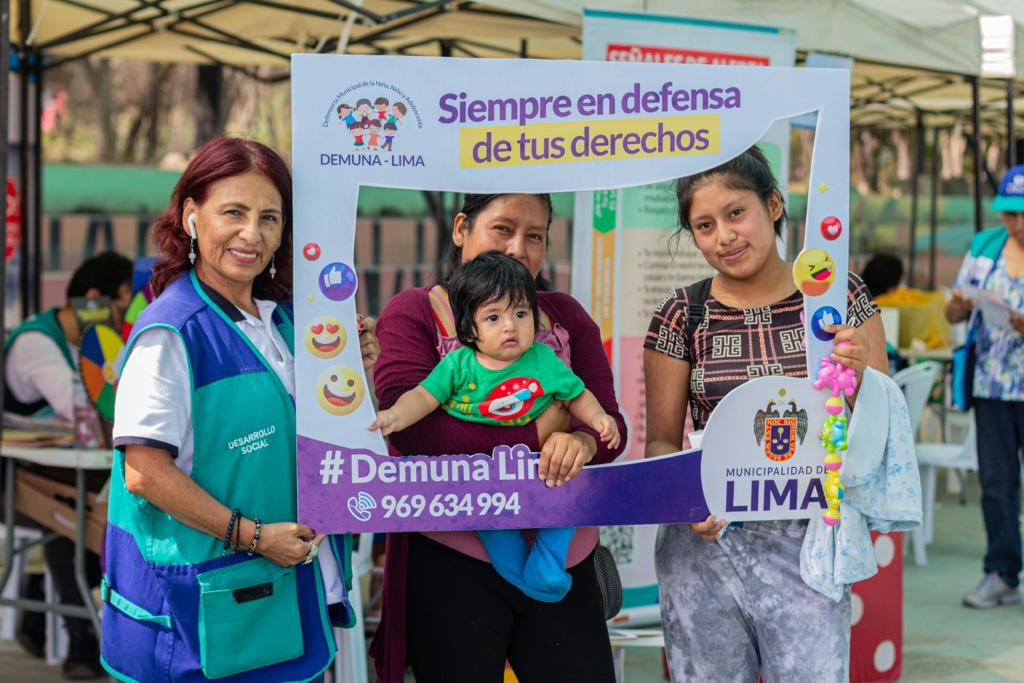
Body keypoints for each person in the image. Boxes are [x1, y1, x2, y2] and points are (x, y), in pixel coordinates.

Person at [101, 137, 380, 682]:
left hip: (283, 599)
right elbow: (143, 472)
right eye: (234, 212)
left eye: (269, 218)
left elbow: (305, 433)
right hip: (200, 613)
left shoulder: (287, 323)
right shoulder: (171, 331)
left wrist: (353, 373)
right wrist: (253, 537)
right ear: (191, 217)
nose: (252, 234)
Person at [644, 147, 889, 682]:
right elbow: (661, 444)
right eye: (704, 226)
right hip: (704, 549)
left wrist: (860, 380)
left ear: (774, 204)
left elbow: (879, 436)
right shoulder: (680, 314)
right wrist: (689, 499)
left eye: (736, 213)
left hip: (810, 546)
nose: (724, 237)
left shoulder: (839, 299)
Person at [370, 193, 627, 683]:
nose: (518, 249)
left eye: (535, 236)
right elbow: (415, 435)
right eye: (503, 229)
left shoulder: (564, 316)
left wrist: (583, 443)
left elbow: (609, 426)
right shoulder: (416, 312)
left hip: (563, 560)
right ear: (462, 228)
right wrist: (542, 430)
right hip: (452, 558)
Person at [370, 251, 620, 602]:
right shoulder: (459, 364)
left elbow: (577, 393)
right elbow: (423, 398)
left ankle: (547, 568)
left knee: (565, 503)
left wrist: (597, 421)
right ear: (469, 327)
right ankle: (532, 581)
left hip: (540, 470)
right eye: (493, 317)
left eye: (521, 313)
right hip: (483, 480)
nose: (510, 326)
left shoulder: (542, 360)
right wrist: (395, 415)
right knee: (498, 535)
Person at [4, 251, 132, 680]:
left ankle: (43, 600)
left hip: (60, 475)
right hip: (14, 485)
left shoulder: (83, 346)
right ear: (93, 298)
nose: (120, 319)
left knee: (98, 510)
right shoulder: (36, 342)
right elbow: (77, 403)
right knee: (70, 522)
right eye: (118, 306)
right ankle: (80, 637)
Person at [945, 164, 1024, 609]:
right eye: (1008, 213)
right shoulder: (984, 247)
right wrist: (957, 307)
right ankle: (1001, 573)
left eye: (1021, 214)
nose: (1014, 223)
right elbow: (955, 315)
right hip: (992, 385)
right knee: (996, 483)